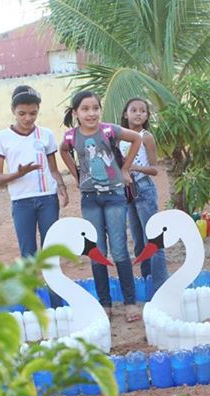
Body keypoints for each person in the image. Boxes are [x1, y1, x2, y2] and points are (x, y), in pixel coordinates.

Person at [60, 91, 143, 322]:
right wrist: (76, 175)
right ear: (76, 113)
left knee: (119, 249)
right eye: (85, 109)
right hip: (90, 199)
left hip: (115, 196)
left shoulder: (109, 130)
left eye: (95, 108)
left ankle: (130, 303)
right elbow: (63, 150)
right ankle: (104, 303)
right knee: (97, 251)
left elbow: (136, 139)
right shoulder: (71, 136)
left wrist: (125, 169)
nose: (91, 113)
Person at [0, 85, 68, 308]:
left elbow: (53, 169)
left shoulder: (46, 135)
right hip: (21, 202)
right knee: (28, 256)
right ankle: (33, 307)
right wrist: (19, 173)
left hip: (48, 199)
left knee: (50, 253)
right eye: (22, 113)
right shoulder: (2, 138)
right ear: (13, 111)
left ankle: (57, 305)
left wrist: (61, 187)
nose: (28, 118)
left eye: (33, 113)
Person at [119, 97, 168, 294]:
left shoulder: (146, 137)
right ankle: (148, 283)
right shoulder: (120, 137)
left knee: (153, 241)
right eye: (134, 110)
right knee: (139, 244)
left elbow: (155, 169)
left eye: (142, 111)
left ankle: (160, 288)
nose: (138, 114)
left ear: (147, 116)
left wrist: (134, 167)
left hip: (144, 189)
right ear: (125, 114)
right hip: (127, 192)